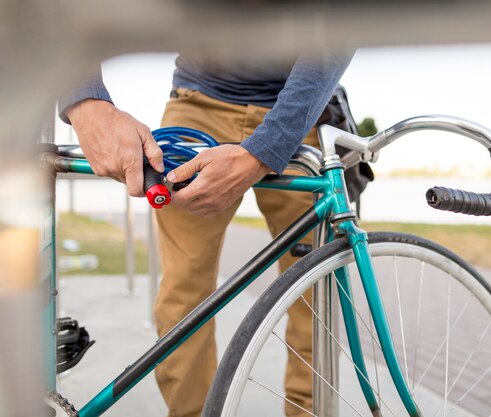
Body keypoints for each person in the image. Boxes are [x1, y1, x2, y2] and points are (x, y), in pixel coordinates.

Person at [60, 51, 353, 417]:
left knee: (316, 293)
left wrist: (263, 151)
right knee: (185, 291)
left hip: (300, 106)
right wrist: (84, 99)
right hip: (199, 106)